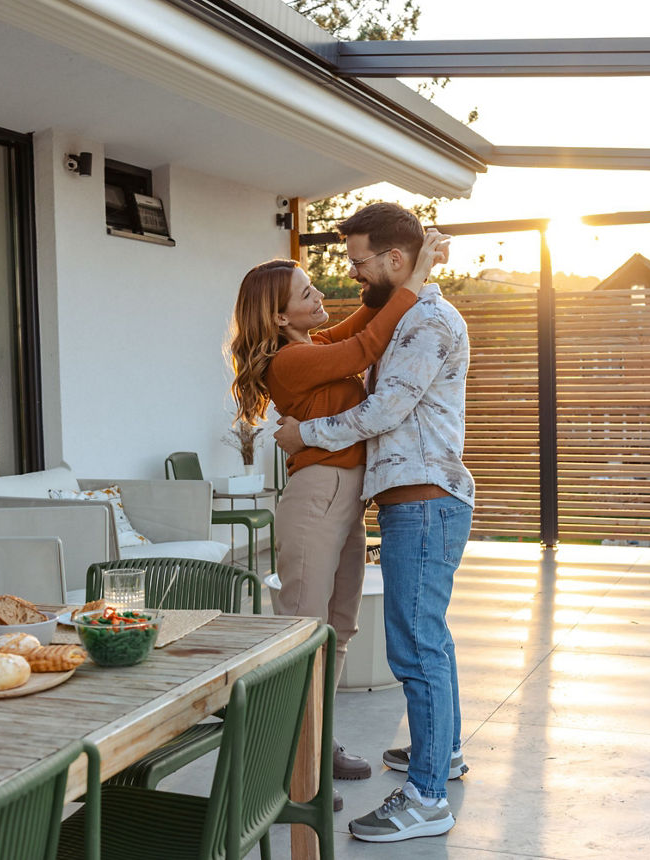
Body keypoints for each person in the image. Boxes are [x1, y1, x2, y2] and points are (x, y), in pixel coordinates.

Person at [226, 229, 448, 807]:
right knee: (301, 634)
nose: (320, 293)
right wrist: (416, 274)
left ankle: (317, 750)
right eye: (305, 292)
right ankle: (286, 776)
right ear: (278, 318)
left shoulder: (313, 341)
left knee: (337, 631)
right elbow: (366, 347)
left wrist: (411, 270)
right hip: (317, 495)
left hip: (348, 497)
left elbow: (364, 322)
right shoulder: (291, 360)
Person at [274, 201, 473, 843]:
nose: (353, 274)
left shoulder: (427, 322)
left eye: (360, 261)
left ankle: (426, 797)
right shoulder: (408, 314)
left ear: (393, 258)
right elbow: (359, 336)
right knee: (426, 637)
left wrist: (306, 432)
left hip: (423, 499)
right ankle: (439, 757)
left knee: (415, 643)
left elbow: (386, 408)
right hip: (412, 498)